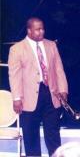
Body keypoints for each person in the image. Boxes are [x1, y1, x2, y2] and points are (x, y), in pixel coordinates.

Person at [8, 17, 68, 156]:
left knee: (53, 134)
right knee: (31, 136)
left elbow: (59, 69)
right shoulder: (16, 49)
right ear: (29, 30)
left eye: (43, 28)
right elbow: (14, 76)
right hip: (28, 98)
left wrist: (63, 89)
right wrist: (16, 98)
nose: (42, 32)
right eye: (38, 29)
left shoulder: (51, 45)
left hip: (51, 95)